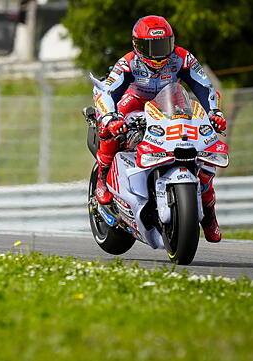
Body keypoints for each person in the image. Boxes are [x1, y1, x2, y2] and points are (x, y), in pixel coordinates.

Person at [93, 15, 226, 242]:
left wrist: (214, 112)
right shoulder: (127, 62)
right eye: (150, 46)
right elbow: (106, 91)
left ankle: (209, 210)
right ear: (137, 45)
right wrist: (109, 117)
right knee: (112, 132)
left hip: (171, 104)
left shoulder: (183, 58)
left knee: (202, 146)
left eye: (163, 45)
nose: (157, 52)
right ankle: (102, 179)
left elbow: (204, 86)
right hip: (134, 104)